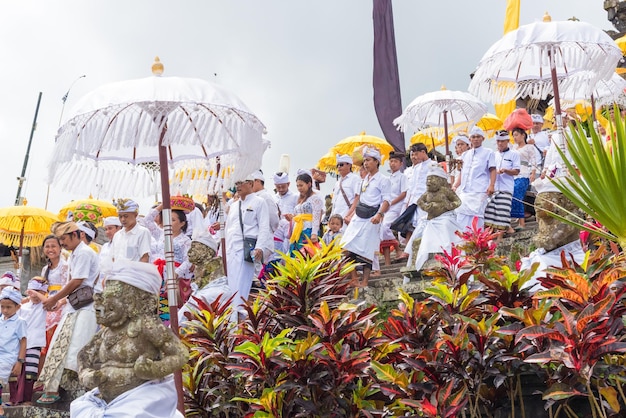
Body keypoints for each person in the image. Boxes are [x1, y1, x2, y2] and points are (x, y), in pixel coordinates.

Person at [71, 260, 187, 418]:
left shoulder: (146, 326)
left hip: (140, 401)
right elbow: (83, 356)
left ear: (131, 302)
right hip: (105, 401)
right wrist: (87, 375)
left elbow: (180, 354)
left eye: (108, 299)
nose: (100, 305)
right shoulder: (105, 333)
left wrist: (154, 369)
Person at [37, 221, 99, 405]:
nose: (62, 243)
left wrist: (55, 299)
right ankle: (56, 390)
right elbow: (73, 283)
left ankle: (78, 393)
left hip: (86, 308)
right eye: (60, 239)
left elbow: (78, 281)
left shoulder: (85, 253)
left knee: (77, 349)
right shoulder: (74, 254)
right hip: (74, 306)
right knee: (61, 346)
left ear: (77, 235)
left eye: (64, 238)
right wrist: (61, 300)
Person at [223, 176, 273, 319]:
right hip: (231, 249)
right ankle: (233, 318)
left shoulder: (259, 202)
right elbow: (229, 229)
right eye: (236, 183)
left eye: (241, 183)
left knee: (242, 285)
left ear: (250, 184)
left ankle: (238, 318)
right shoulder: (233, 205)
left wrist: (260, 247)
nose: (238, 186)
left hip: (247, 249)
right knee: (232, 285)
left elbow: (264, 226)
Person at [341, 147, 391, 287]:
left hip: (372, 217)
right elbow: (358, 198)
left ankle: (364, 281)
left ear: (376, 162)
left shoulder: (383, 180)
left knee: (366, 250)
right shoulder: (363, 180)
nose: (366, 163)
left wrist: (379, 215)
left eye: (368, 160)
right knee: (346, 245)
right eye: (365, 161)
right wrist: (350, 214)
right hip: (359, 215)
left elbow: (387, 200)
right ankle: (354, 279)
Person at [144, 203, 193, 325]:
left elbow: (189, 260)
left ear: (182, 223)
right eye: (167, 219)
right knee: (155, 304)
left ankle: (171, 328)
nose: (169, 223)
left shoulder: (185, 240)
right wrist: (162, 205)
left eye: (173, 220)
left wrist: (176, 273)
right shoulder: (161, 234)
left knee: (171, 304)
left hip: (173, 277)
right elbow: (147, 220)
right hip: (157, 274)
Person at [10, 277, 47, 406]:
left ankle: (27, 399)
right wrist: (28, 296)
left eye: (39, 292)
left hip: (35, 343)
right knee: (15, 372)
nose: (35, 295)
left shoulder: (44, 306)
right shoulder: (23, 306)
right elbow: (11, 306)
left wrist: (37, 294)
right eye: (33, 291)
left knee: (30, 373)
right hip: (19, 344)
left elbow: (51, 303)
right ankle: (13, 399)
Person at [453, 126, 496, 232]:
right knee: (461, 214)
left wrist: (492, 185)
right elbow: (461, 174)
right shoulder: (465, 155)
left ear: (483, 139)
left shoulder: (488, 152)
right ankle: (462, 241)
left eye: (478, 137)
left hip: (480, 190)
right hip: (465, 190)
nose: (476, 139)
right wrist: (455, 186)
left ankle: (476, 243)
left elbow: (493, 169)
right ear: (470, 139)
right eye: (473, 137)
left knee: (476, 216)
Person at [484, 130, 520, 241]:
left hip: (506, 187)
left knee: (502, 213)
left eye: (503, 141)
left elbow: (517, 171)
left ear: (508, 141)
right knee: (490, 212)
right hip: (493, 187)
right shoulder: (493, 155)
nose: (500, 144)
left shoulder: (514, 154)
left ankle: (500, 238)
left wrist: (506, 171)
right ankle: (489, 238)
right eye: (498, 141)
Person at [40, 235, 68, 360]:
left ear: (60, 248)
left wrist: (59, 302)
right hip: (48, 302)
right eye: (47, 246)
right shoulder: (45, 269)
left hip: (61, 303)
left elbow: (67, 287)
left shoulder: (65, 266)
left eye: (53, 246)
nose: (50, 249)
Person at [0, 287, 27, 417]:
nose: (5, 310)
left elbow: (23, 342)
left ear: (17, 307)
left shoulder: (19, 322)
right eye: (2, 307)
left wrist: (20, 362)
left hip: (8, 358)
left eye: (8, 307)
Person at [380, 151, 407, 265]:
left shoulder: (402, 177)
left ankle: (398, 248)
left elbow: (403, 193)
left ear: (401, 163)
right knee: (382, 229)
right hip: (387, 207)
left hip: (397, 206)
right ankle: (389, 259)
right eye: (391, 161)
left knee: (385, 226)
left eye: (395, 161)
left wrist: (391, 203)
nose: (392, 164)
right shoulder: (387, 178)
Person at [287, 172, 324, 254]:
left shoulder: (315, 198)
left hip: (308, 229)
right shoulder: (300, 199)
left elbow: (317, 216)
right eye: (297, 186)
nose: (299, 188)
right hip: (298, 230)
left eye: (301, 185)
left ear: (309, 184)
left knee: (305, 254)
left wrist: (314, 233)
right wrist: (291, 218)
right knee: (296, 253)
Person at [109, 198, 152, 263]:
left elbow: (145, 258)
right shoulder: (117, 235)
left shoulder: (142, 232)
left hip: (135, 272)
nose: (123, 219)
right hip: (118, 272)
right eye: (120, 216)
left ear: (135, 215)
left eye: (126, 216)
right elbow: (113, 258)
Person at [511, 127, 537, 229]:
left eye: (516, 135)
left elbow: (533, 160)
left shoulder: (529, 147)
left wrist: (533, 173)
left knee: (517, 194)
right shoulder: (513, 148)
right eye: (513, 136)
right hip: (513, 174)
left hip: (524, 173)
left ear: (523, 135)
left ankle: (522, 223)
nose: (515, 138)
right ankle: (518, 218)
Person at [331, 154, 360, 227]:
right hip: (335, 218)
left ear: (349, 165)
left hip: (346, 217)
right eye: (337, 165)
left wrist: (349, 215)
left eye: (341, 165)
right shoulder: (337, 182)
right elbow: (334, 203)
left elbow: (357, 198)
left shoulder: (355, 179)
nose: (339, 167)